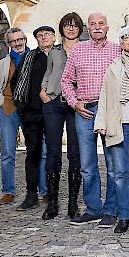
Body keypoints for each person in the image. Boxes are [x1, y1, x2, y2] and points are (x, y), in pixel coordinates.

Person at [61, 12, 122, 227]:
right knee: (87, 164)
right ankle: (93, 209)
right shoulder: (78, 50)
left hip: (110, 113)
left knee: (114, 163)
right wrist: (74, 102)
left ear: (108, 27)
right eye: (93, 24)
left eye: (101, 24)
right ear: (87, 28)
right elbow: (66, 80)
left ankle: (111, 209)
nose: (97, 27)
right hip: (84, 112)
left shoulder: (118, 50)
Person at [94, 25, 129, 235]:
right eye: (126, 36)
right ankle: (124, 216)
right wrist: (101, 122)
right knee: (120, 173)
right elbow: (104, 96)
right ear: (121, 42)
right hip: (118, 124)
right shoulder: (113, 67)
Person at [0, 28, 46, 205]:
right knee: (7, 153)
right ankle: (8, 191)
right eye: (13, 41)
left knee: (39, 151)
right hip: (9, 110)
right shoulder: (1, 65)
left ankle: (44, 190)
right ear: (9, 44)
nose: (18, 43)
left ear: (25, 40)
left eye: (20, 39)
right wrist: (2, 103)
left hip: (32, 110)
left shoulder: (38, 58)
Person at [38, 13, 84, 220]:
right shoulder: (55, 51)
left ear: (80, 28)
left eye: (75, 26)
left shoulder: (85, 48)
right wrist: (43, 90)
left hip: (77, 104)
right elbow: (49, 73)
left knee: (75, 153)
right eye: (67, 25)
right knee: (53, 152)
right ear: (62, 28)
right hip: (54, 102)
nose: (71, 29)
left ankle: (73, 203)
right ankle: (53, 203)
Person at [11, 25, 56, 211]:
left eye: (47, 35)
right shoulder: (29, 57)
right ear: (36, 39)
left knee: (53, 153)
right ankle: (31, 195)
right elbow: (16, 81)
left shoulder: (60, 56)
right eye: (40, 35)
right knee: (33, 154)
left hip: (54, 111)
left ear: (54, 37)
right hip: (32, 112)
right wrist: (22, 106)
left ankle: (51, 193)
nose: (43, 37)